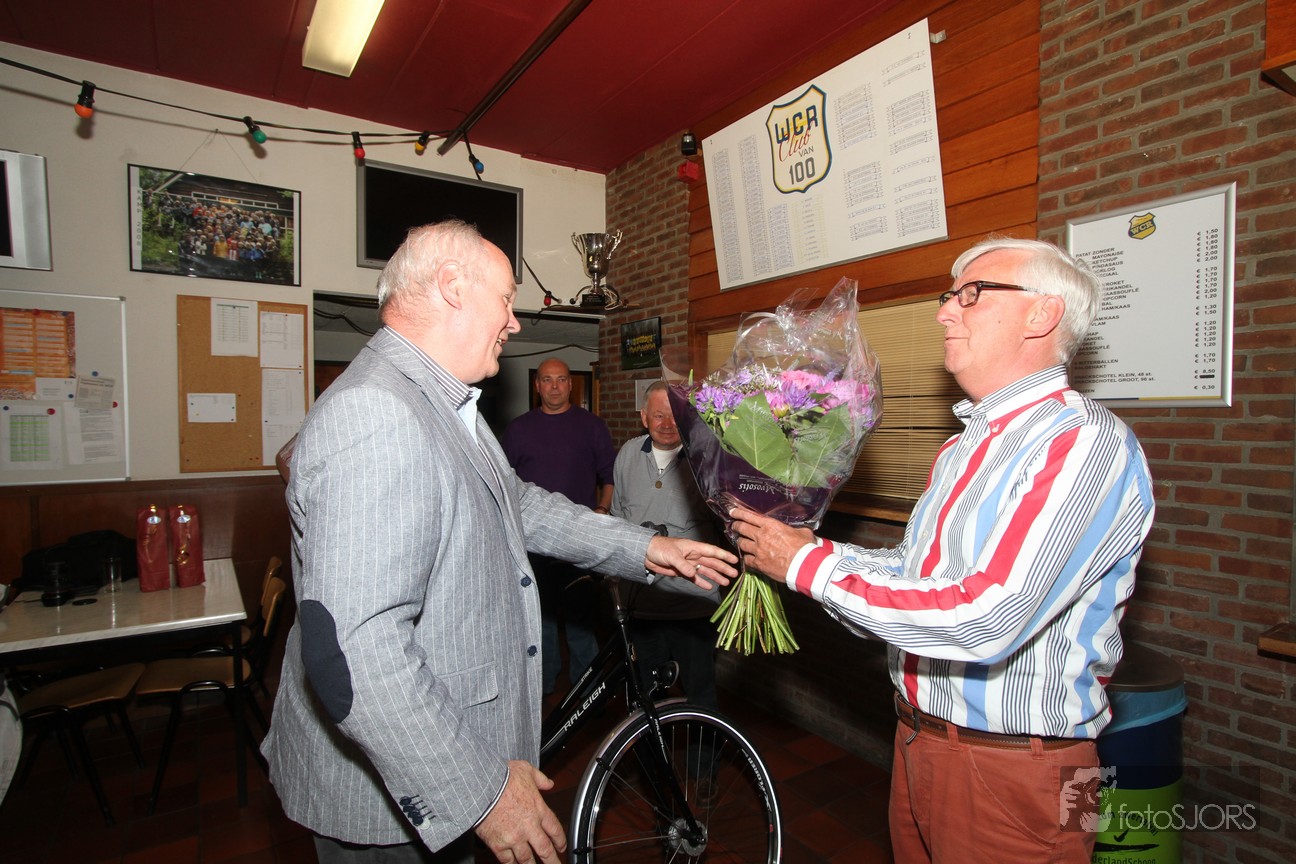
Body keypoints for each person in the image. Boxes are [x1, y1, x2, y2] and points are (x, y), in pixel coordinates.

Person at [264, 220, 737, 864]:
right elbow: (356, 648)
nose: (514, 322)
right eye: (507, 299)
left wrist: (645, 549)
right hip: (395, 801)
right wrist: (479, 792)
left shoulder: (443, 400)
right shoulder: (377, 412)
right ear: (453, 287)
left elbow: (520, 504)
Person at [728, 236, 1155, 863]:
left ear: (1042, 314)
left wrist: (807, 566)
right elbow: (917, 574)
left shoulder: (1081, 442)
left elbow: (986, 617)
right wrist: (803, 547)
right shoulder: (965, 445)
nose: (944, 312)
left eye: (971, 295)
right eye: (949, 295)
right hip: (918, 740)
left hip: (1014, 768)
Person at [502, 357, 616, 694]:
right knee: (541, 619)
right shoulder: (518, 430)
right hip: (532, 542)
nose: (555, 386)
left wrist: (602, 509)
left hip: (578, 539)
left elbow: (609, 477)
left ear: (570, 384)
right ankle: (543, 686)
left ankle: (588, 689)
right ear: (537, 386)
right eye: (547, 380)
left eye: (561, 379)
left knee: (581, 619)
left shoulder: (592, 426)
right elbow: (504, 482)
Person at [610, 381, 725, 709]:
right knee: (646, 698)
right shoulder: (628, 454)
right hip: (641, 604)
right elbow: (618, 518)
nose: (667, 423)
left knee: (701, 699)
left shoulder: (707, 461)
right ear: (644, 417)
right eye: (658, 415)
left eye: (675, 415)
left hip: (693, 605)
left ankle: (702, 745)